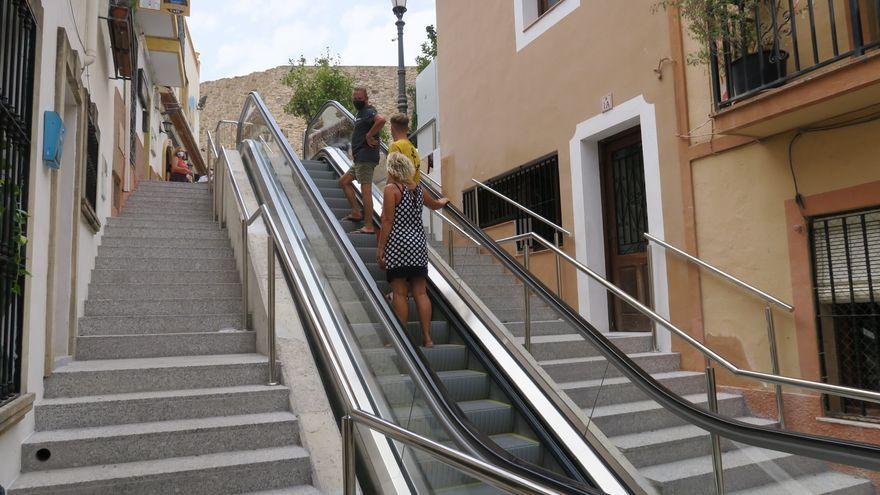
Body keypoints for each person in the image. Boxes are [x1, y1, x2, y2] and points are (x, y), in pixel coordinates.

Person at [377, 152, 449, 348]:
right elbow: (434, 205)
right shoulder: (418, 189)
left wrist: (381, 248)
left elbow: (387, 220)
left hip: (398, 245)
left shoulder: (391, 190)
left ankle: (401, 339)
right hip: (418, 244)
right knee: (420, 291)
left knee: (399, 292)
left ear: (392, 169)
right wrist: (443, 201)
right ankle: (427, 338)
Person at [339, 87, 386, 234]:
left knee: (365, 190)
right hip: (359, 158)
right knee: (343, 182)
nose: (356, 101)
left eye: (359, 98)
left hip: (366, 157)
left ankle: (369, 225)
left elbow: (382, 120)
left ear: (366, 99)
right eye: (355, 98)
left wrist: (369, 135)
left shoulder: (369, 111)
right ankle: (356, 212)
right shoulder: (359, 114)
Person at [388, 113, 421, 182]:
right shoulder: (412, 147)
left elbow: (393, 175)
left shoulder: (395, 146)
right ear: (407, 129)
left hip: (402, 190)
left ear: (392, 128)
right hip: (414, 189)